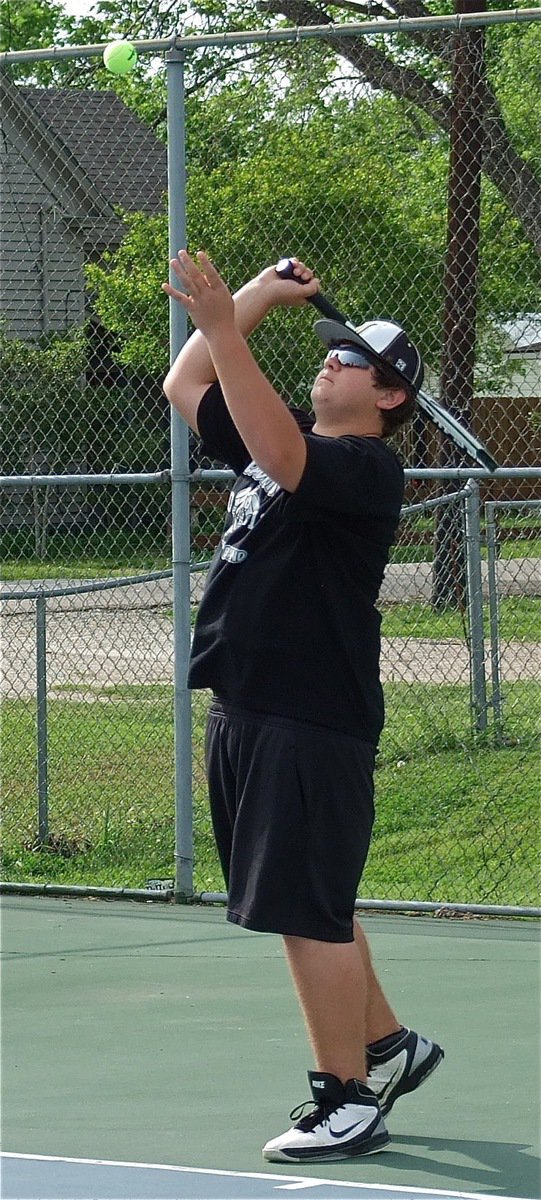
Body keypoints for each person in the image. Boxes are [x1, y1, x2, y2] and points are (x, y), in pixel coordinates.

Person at [162, 251, 444, 1163]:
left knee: (304, 909)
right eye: (324, 351)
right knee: (309, 894)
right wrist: (253, 297)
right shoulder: (287, 434)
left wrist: (219, 324)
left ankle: (347, 1099)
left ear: (389, 397)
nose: (325, 361)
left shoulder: (362, 471)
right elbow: (187, 380)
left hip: (308, 715)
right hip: (248, 706)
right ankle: (388, 1044)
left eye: (348, 359)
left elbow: (282, 456)